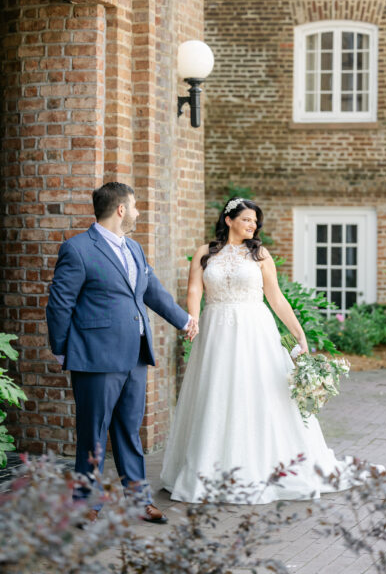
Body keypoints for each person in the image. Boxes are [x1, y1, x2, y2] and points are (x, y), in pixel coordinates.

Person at [161, 197, 353, 504]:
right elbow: (194, 289)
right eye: (247, 220)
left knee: (256, 392)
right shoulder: (204, 252)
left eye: (255, 221)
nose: (252, 225)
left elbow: (276, 299)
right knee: (216, 392)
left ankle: (260, 465)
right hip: (216, 329)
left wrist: (299, 335)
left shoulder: (260, 254)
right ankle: (209, 467)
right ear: (228, 220)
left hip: (254, 330)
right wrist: (193, 318)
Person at [46, 182, 198, 523]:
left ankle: (138, 500)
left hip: (135, 357)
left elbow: (152, 292)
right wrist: (62, 351)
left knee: (129, 431)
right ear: (120, 210)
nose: (139, 212)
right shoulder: (78, 249)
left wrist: (184, 320)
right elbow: (59, 305)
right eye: (135, 206)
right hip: (95, 357)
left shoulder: (134, 248)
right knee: (93, 433)